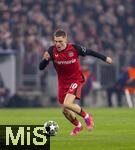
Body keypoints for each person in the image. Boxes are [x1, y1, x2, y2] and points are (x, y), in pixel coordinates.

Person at [39, 29, 112, 136]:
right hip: (63, 83)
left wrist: (105, 58)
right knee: (65, 110)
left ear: (65, 39)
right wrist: (45, 60)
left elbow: (90, 52)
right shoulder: (51, 51)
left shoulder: (74, 48)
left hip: (76, 79)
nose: (57, 44)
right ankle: (78, 126)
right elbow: (41, 67)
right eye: (55, 41)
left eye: (60, 41)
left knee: (67, 103)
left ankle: (87, 116)